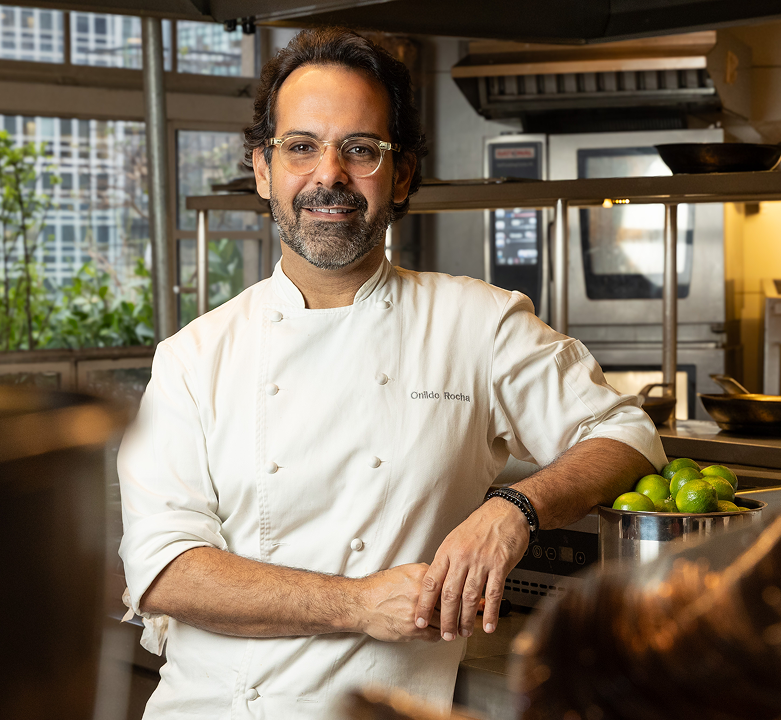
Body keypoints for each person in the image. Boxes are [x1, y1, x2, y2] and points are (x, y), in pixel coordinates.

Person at [117, 27, 667, 720]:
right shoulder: (195, 356)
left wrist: (514, 511)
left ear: (401, 174)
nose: (329, 176)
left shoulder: (478, 323)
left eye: (361, 149)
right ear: (262, 169)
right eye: (301, 147)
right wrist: (358, 603)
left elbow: (624, 434)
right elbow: (165, 571)